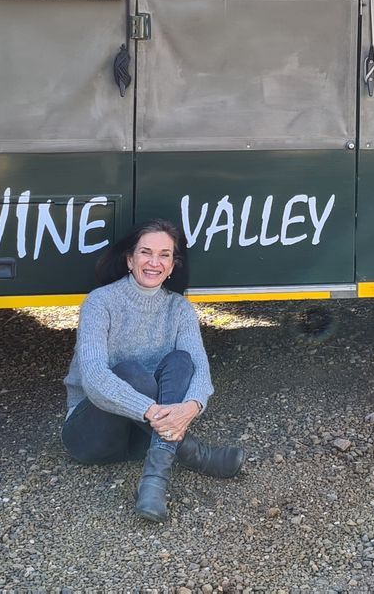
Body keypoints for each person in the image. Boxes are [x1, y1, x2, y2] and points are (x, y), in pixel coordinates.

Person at [61, 219, 245, 521]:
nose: (154, 262)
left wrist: (191, 406)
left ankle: (153, 482)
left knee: (182, 360)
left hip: (142, 438)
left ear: (172, 266)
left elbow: (200, 368)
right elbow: (94, 379)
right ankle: (194, 454)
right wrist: (151, 411)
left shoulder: (179, 309)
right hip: (91, 437)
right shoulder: (100, 302)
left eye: (164, 255)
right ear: (130, 260)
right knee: (132, 374)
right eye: (146, 253)